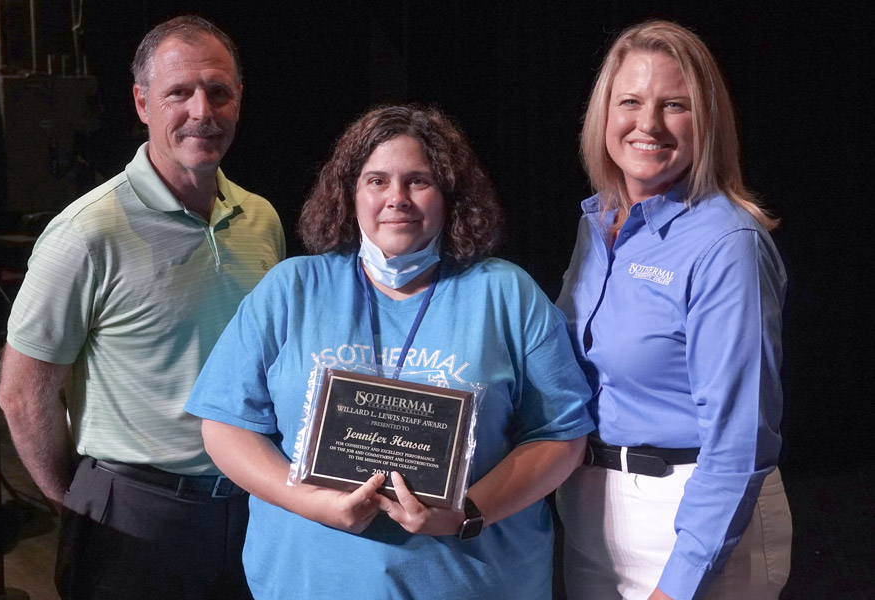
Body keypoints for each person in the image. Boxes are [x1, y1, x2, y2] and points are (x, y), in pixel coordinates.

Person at [184, 104, 595, 599]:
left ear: (450, 196)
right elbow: (225, 426)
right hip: (310, 583)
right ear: (349, 194)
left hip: (476, 581)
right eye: (377, 181)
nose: (396, 199)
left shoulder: (507, 295)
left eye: (418, 181)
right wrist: (312, 502)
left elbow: (561, 438)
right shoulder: (291, 289)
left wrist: (466, 512)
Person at [0, 15, 285, 600]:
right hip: (133, 518)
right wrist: (75, 504)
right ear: (141, 103)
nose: (202, 111)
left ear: (239, 102)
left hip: (253, 506)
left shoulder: (261, 219)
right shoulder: (85, 233)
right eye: (178, 92)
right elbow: (22, 392)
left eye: (219, 91)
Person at [555, 20, 792, 600]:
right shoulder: (600, 224)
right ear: (603, 113)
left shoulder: (726, 244)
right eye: (630, 101)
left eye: (675, 106)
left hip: (694, 523)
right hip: (594, 514)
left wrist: (680, 585)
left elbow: (739, 443)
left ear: (706, 122)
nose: (648, 124)